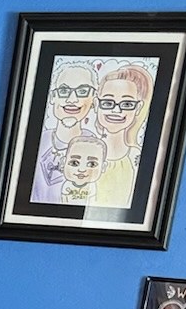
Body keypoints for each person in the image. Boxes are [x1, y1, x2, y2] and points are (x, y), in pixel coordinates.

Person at [32, 59, 99, 203]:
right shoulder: (37, 139)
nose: (71, 99)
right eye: (63, 91)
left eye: (82, 91)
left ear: (93, 100)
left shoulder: (95, 146)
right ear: (52, 97)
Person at [93, 61, 154, 207]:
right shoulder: (84, 148)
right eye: (108, 102)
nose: (116, 110)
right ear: (96, 104)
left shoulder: (136, 157)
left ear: (138, 108)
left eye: (127, 104)